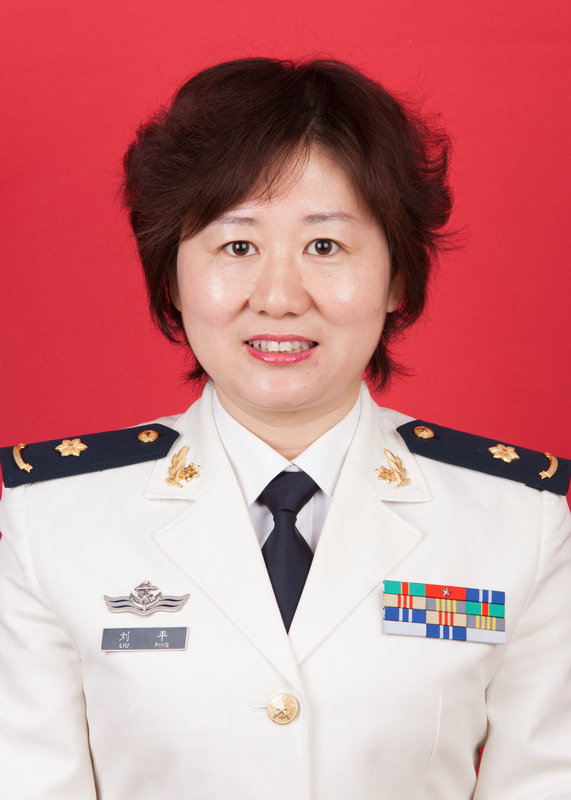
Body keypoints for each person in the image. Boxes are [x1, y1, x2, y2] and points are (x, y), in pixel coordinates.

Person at [0, 57, 570, 800]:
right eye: (237, 246)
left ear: (398, 277)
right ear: (171, 277)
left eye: (324, 246)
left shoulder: (515, 523)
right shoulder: (53, 522)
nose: (278, 296)